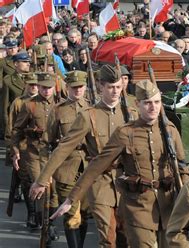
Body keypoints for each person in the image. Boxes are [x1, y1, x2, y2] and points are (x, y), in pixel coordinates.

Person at [51, 80, 189, 247]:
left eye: (156, 102)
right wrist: (71, 199)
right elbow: (97, 165)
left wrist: (188, 197)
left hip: (167, 206)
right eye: (147, 103)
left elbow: (183, 168)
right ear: (137, 104)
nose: (153, 107)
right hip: (138, 207)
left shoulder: (170, 130)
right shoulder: (125, 133)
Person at [29, 65, 135, 248]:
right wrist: (42, 179)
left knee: (124, 236)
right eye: (111, 87)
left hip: (125, 182)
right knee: (106, 236)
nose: (116, 91)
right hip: (97, 181)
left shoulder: (130, 114)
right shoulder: (89, 116)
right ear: (101, 87)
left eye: (118, 86)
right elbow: (62, 147)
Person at [30, 71, 90, 247]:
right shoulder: (58, 110)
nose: (78, 90)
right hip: (66, 168)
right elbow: (46, 144)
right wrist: (45, 172)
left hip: (87, 167)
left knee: (84, 214)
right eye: (74, 87)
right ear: (67, 88)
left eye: (81, 87)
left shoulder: (92, 108)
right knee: (71, 215)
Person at [11, 72, 61, 243]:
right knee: (41, 187)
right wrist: (16, 151)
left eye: (49, 88)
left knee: (53, 191)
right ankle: (44, 223)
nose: (47, 91)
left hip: (54, 153)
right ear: (38, 87)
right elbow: (17, 130)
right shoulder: (29, 105)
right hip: (34, 153)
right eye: (43, 87)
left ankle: (51, 223)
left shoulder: (60, 105)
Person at [4, 73, 39, 229]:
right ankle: (31, 213)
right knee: (27, 182)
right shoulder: (18, 103)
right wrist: (13, 150)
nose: (33, 87)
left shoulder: (46, 102)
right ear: (26, 84)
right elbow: (11, 128)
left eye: (36, 84)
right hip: (24, 149)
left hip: (41, 149)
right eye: (30, 84)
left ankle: (42, 216)